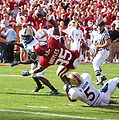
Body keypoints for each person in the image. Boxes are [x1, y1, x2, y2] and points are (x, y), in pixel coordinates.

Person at [92, 21, 111, 85]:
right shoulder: (98, 33)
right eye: (98, 26)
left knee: (95, 63)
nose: (99, 27)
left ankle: (100, 79)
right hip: (101, 51)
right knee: (96, 64)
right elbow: (97, 43)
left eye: (100, 26)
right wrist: (96, 45)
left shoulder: (105, 33)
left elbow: (108, 43)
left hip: (104, 51)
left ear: (103, 26)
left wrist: (99, 46)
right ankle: (102, 76)